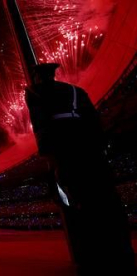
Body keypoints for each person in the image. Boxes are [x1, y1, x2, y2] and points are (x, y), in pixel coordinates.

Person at [25, 63, 136, 275]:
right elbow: (94, 121)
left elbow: (39, 125)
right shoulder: (76, 91)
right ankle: (124, 254)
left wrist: (48, 155)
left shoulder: (35, 92)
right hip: (89, 147)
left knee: (76, 202)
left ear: (38, 77)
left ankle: (91, 258)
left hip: (64, 148)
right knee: (108, 200)